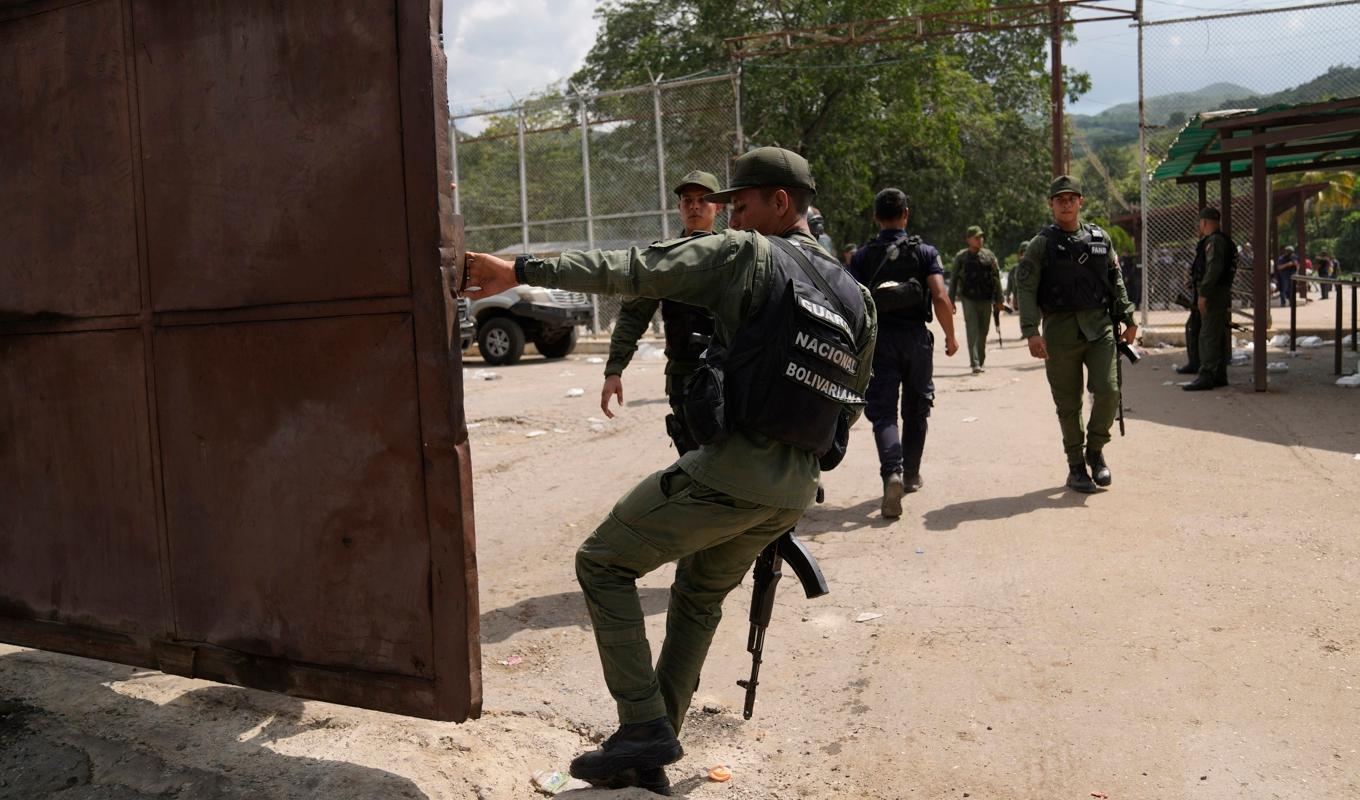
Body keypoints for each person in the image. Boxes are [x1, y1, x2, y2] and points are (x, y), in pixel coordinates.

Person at [465, 147, 876, 795]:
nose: (729, 215)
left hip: (737, 467)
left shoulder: (747, 255)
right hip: (794, 487)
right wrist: (793, 475)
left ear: (781, 202)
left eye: (741, 204)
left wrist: (518, 269)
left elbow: (633, 269)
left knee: (602, 561)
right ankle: (647, 749)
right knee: (699, 594)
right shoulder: (856, 294)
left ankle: (642, 727)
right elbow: (852, 397)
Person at [1015, 176, 1137, 493]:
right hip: (1059, 334)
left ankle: (1095, 451)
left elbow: (1116, 279)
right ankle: (1075, 467)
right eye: (1060, 199)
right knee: (1068, 405)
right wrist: (1030, 331)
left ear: (1081, 201)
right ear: (1051, 204)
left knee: (1109, 392)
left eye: (1071, 198)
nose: (1066, 203)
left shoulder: (1100, 238)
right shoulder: (1040, 245)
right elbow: (1025, 287)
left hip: (1100, 329)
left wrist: (1128, 317)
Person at [848, 188, 958, 518]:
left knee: (883, 413)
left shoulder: (863, 257)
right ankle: (910, 474)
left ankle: (891, 473)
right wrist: (951, 336)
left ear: (876, 218)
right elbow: (939, 296)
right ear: (906, 215)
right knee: (917, 408)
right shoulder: (925, 252)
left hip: (880, 342)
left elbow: (852, 302)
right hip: (916, 341)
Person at [600, 171, 723, 454]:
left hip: (731, 373)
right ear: (679, 207)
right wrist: (614, 369)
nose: (694, 206)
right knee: (694, 462)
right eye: (687, 200)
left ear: (718, 206)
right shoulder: (663, 259)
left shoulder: (735, 253)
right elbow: (633, 315)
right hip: (685, 379)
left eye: (703, 200)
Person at [1183, 207, 1236, 391]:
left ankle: (1207, 375)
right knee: (1215, 333)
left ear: (1204, 222)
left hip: (1213, 294)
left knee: (1209, 335)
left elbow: (1214, 269)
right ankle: (1219, 374)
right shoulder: (1217, 240)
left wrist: (1203, 293)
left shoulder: (1215, 241)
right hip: (1215, 292)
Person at [949, 225, 1005, 374]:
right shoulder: (961, 257)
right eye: (976, 237)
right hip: (969, 299)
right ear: (968, 240)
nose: (980, 240)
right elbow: (953, 280)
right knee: (972, 330)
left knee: (983, 332)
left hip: (986, 299)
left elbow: (996, 278)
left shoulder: (989, 255)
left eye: (981, 237)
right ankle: (975, 363)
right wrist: (951, 301)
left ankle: (980, 360)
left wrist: (1000, 300)